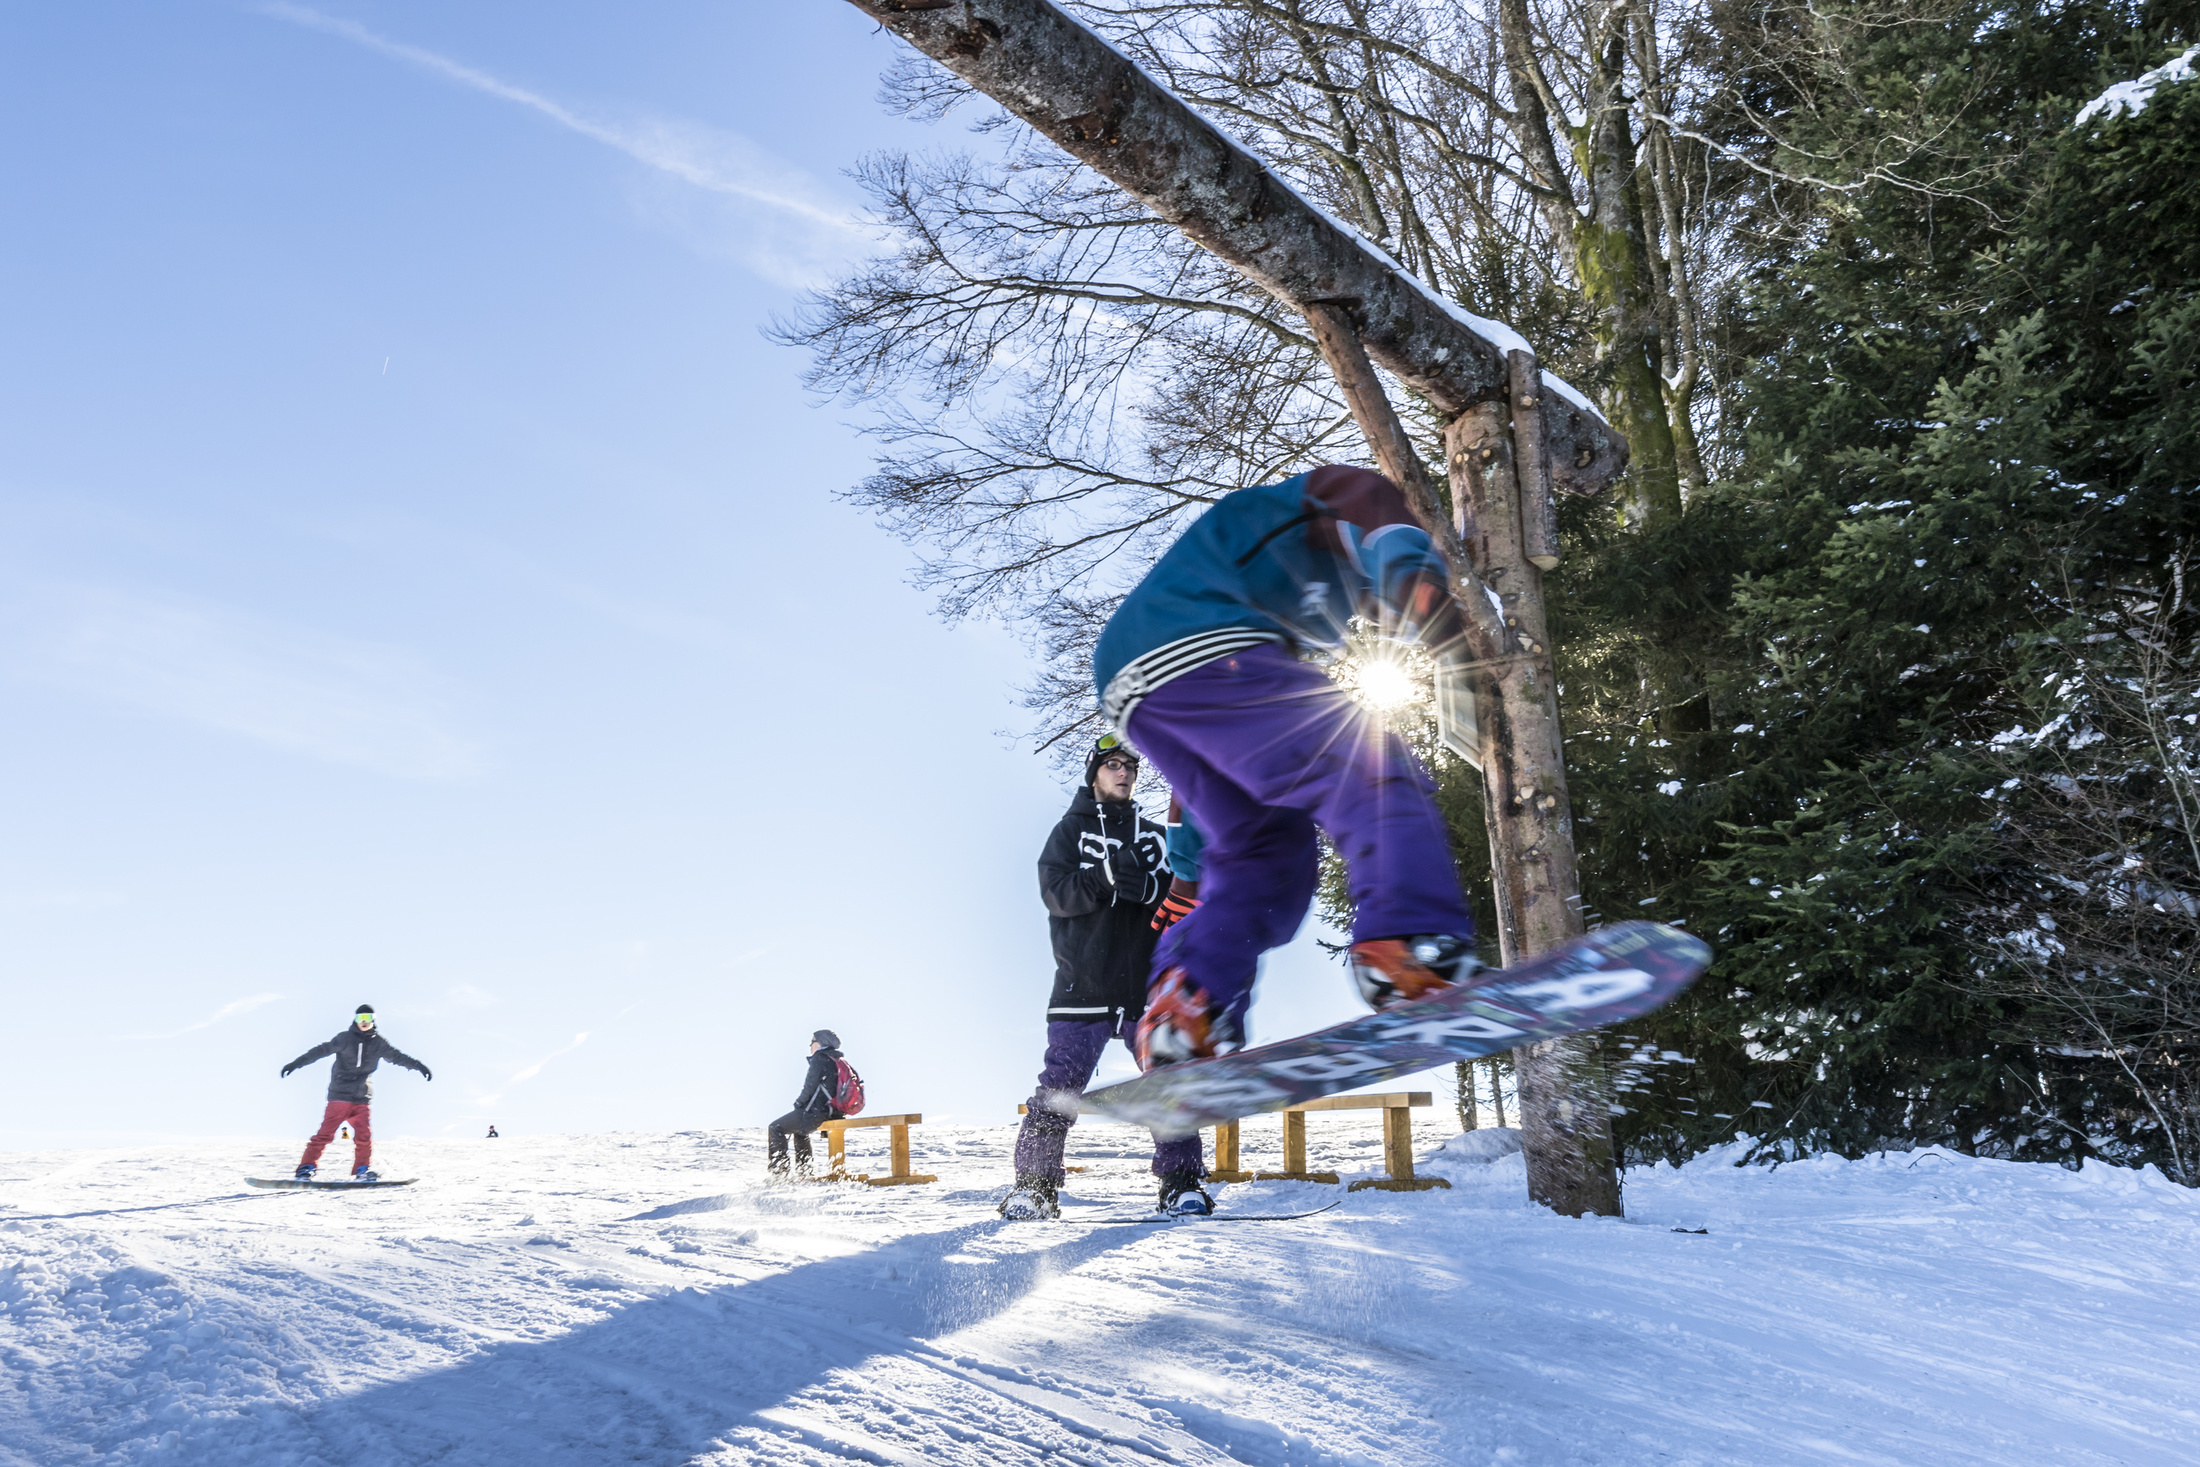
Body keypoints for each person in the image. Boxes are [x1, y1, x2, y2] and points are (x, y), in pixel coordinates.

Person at [1091, 464, 1485, 1068]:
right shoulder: (1366, 499)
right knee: (1369, 767)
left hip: (1138, 687)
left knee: (1267, 853)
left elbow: (1213, 789)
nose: (1375, 616)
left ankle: (1188, 1006)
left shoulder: (1285, 583)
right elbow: (1392, 538)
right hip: (1200, 640)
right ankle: (1411, 946)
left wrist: (1187, 875)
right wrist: (1446, 625)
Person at [1002, 735, 1209, 1219]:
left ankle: (1181, 1185)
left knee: (1167, 1084)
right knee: (1058, 1091)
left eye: (1130, 767)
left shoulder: (1154, 836)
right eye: (1113, 764)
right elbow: (1056, 894)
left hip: (1145, 988)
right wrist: (1108, 875)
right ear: (1094, 772)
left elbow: (1184, 892)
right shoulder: (1069, 831)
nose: (1123, 773)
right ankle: (1034, 1189)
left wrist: (1155, 887)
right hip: (1082, 987)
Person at [280, 1004, 432, 1182]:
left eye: (368, 1017)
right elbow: (320, 1051)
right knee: (325, 1134)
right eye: (361, 1018)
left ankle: (362, 1170)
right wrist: (295, 1064)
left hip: (361, 1098)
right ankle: (306, 1169)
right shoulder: (344, 1039)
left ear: (373, 1020)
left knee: (364, 1136)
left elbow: (397, 1057)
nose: (364, 1021)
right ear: (355, 1019)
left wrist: (419, 1066)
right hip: (340, 1095)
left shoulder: (379, 1043)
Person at [768, 1029, 848, 1180]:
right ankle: (804, 1173)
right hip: (834, 1111)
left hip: (818, 1112)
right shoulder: (837, 1059)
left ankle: (779, 1174)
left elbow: (809, 1087)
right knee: (800, 1131)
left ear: (821, 1043)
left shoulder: (820, 1058)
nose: (810, 1044)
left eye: (813, 1041)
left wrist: (798, 1103)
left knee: (775, 1127)